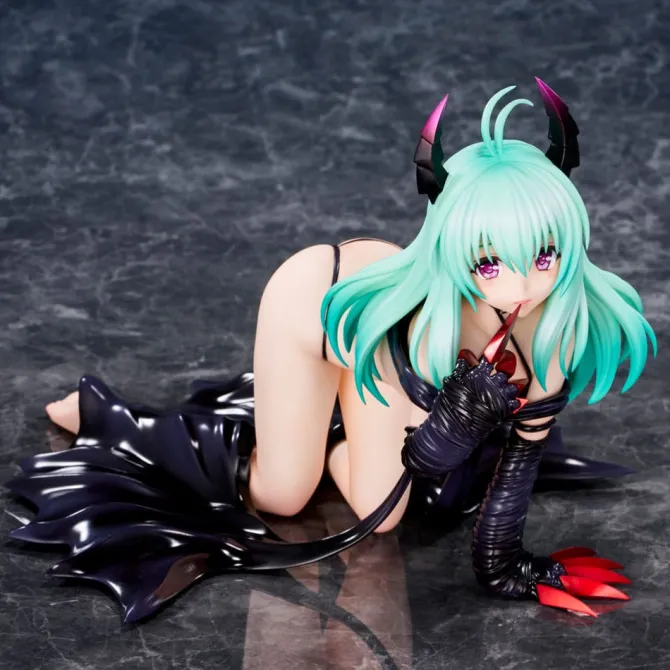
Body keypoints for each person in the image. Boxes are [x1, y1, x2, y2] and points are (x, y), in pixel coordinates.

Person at [6, 79, 657, 623]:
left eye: (545, 255)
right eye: (489, 264)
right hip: (321, 308)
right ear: (454, 249)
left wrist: (507, 569)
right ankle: (117, 419)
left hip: (383, 367)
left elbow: (520, 458)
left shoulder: (558, 328)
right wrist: (461, 418)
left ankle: (329, 429)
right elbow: (425, 459)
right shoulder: (423, 318)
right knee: (285, 494)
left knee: (386, 509)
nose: (522, 287)